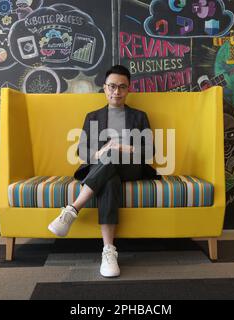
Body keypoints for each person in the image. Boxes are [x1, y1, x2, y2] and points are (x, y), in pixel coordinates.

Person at [48, 65, 159, 277]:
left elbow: (150, 151)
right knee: (109, 180)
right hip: (104, 169)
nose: (116, 91)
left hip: (132, 167)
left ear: (128, 89)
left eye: (122, 87)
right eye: (112, 86)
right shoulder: (92, 116)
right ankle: (108, 251)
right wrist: (100, 153)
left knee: (113, 154)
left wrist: (120, 148)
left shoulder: (139, 116)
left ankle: (72, 210)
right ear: (104, 88)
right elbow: (82, 150)